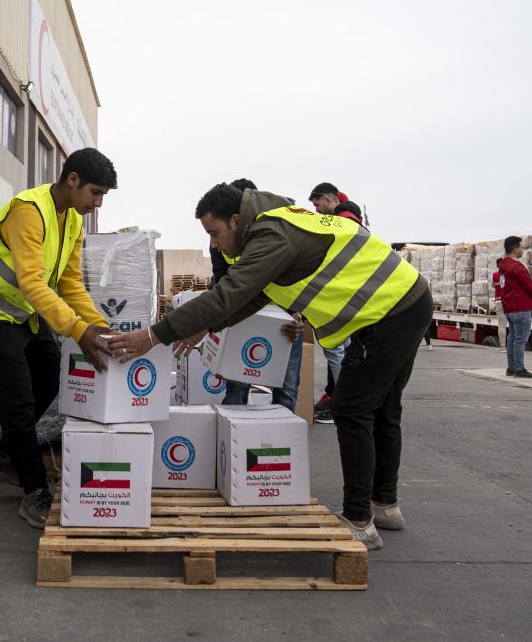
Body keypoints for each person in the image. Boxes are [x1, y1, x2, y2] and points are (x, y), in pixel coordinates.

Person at [109, 183, 433, 551]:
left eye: (214, 233)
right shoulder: (272, 228)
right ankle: (385, 505)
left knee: (352, 408)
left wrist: (153, 335)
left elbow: (229, 294)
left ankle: (359, 520)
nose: (214, 244)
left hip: (391, 310)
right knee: (384, 408)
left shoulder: (271, 234)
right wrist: (205, 326)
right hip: (403, 301)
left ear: (235, 220)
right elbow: (252, 298)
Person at [0, 148, 117, 528]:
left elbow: (70, 283)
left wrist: (99, 326)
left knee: (50, 371)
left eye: (103, 195)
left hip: (21, 310)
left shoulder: (72, 220)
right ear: (72, 179)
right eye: (95, 192)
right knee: (18, 401)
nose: (98, 202)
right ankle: (33, 491)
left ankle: (5, 455)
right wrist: (78, 330)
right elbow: (31, 281)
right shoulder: (29, 210)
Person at [206, 179, 305, 413]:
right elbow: (221, 278)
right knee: (237, 384)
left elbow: (302, 280)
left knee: (286, 387)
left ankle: (281, 441)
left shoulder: (280, 233)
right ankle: (233, 440)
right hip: (242, 317)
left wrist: (298, 318)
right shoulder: (220, 239)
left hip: (285, 320)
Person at [308, 183, 358, 425]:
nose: (317, 211)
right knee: (342, 350)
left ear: (328, 200)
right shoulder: (350, 217)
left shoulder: (342, 221)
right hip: (348, 294)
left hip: (341, 295)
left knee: (335, 350)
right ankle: (343, 401)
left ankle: (341, 404)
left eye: (317, 205)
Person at [498, 236, 532, 378]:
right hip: (521, 307)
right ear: (515, 249)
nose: (522, 250)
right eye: (521, 247)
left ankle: (511, 367)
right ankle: (519, 368)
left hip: (510, 308)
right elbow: (529, 286)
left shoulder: (503, 267)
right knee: (520, 340)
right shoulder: (516, 267)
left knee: (512, 338)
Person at [491, 257, 507, 354]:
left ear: (497, 265)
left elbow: (492, 285)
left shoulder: (494, 275)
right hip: (510, 301)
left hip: (499, 301)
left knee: (502, 325)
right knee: (513, 325)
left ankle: (502, 347)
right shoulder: (510, 274)